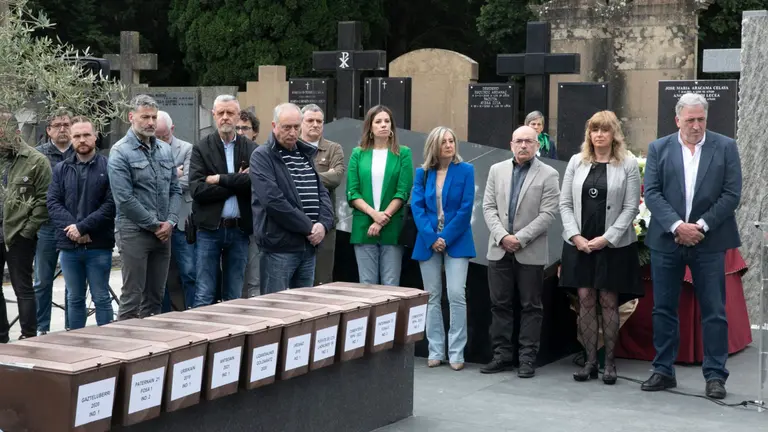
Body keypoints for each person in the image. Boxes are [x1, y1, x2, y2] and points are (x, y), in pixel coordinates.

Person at [641, 93, 742, 399]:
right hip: (667, 240)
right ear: (677, 120)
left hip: (709, 241)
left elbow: (731, 193)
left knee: (714, 311)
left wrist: (700, 226)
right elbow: (652, 192)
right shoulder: (659, 148)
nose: (696, 125)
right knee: (663, 309)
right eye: (690, 120)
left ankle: (715, 375)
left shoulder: (725, 147)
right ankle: (663, 370)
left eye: (701, 119)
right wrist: (677, 226)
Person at [558, 111, 642, 384]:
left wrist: (607, 238)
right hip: (580, 245)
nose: (599, 135)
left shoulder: (627, 164)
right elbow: (564, 204)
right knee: (585, 299)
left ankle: (610, 363)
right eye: (594, 130)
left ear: (614, 134)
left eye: (604, 130)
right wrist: (575, 236)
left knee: (608, 300)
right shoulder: (576, 161)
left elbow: (631, 207)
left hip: (613, 246)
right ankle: (590, 362)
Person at [481, 125, 560, 377]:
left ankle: (527, 358)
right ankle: (502, 356)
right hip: (499, 248)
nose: (523, 145)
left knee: (531, 307)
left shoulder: (549, 174)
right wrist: (503, 236)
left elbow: (548, 213)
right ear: (511, 144)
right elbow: (488, 207)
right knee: (499, 305)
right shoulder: (496, 170)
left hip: (530, 250)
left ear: (537, 145)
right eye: (519, 141)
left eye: (528, 141)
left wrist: (520, 238)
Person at [108, 94, 181, 319]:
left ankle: (151, 341)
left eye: (154, 117)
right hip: (134, 233)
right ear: (131, 117)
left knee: (155, 297)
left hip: (163, 233)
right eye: (145, 117)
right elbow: (124, 199)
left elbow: (175, 190)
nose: (150, 122)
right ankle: (125, 340)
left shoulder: (164, 150)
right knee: (132, 296)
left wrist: (170, 222)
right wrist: (155, 225)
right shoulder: (120, 152)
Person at [250, 103, 334, 293]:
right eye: (287, 127)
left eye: (296, 127)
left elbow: (321, 193)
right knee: (275, 305)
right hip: (280, 248)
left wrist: (323, 225)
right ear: (274, 126)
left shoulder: (305, 154)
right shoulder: (262, 156)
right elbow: (273, 201)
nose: (293, 132)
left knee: (305, 306)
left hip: (308, 247)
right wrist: (309, 227)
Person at [411, 126, 475, 371]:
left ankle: (456, 352)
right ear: (434, 146)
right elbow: (417, 207)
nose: (449, 145)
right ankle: (436, 350)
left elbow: (466, 209)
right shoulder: (423, 173)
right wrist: (432, 237)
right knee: (432, 297)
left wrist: (445, 238)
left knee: (457, 294)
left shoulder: (466, 170)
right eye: (444, 142)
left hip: (456, 239)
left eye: (451, 141)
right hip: (427, 240)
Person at [46, 116, 115, 329]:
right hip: (70, 245)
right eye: (77, 136)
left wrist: (83, 227)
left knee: (101, 297)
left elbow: (111, 204)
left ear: (95, 136)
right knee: (74, 298)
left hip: (98, 244)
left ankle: (109, 342)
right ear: (71, 138)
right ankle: (75, 343)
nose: (82, 140)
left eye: (86, 135)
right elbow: (53, 202)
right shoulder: (61, 169)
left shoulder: (109, 166)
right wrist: (75, 229)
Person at [189, 95, 257, 307]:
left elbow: (255, 184)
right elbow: (197, 189)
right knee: (204, 293)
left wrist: (219, 179)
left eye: (230, 113)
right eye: (221, 113)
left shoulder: (251, 148)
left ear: (238, 116)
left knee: (234, 295)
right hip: (209, 229)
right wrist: (236, 182)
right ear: (214, 115)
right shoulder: (201, 148)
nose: (225, 117)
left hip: (239, 230)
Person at [346, 105, 414, 286]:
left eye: (387, 121)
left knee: (390, 284)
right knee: (367, 284)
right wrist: (374, 215)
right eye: (378, 121)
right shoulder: (358, 154)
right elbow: (352, 192)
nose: (383, 125)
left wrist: (382, 219)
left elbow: (403, 191)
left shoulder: (403, 153)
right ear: (370, 127)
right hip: (364, 226)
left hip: (392, 227)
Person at [0, 110, 52, 342]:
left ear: (17, 132)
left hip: (19, 234)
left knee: (22, 287)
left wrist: (27, 231)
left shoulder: (36, 161)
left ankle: (29, 336)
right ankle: (2, 336)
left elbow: (43, 200)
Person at [33, 108, 75, 335]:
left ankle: (72, 326)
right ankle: (42, 328)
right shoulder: (38, 156)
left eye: (66, 124)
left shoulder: (81, 151)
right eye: (57, 125)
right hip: (47, 225)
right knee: (42, 280)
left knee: (73, 281)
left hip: (75, 226)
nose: (62, 129)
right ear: (48, 130)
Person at [300, 104, 345, 285]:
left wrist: (300, 177)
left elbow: (336, 178)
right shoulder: (291, 147)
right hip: (296, 222)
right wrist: (324, 176)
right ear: (301, 122)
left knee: (322, 280)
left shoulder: (334, 148)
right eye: (310, 120)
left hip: (325, 223)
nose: (315, 124)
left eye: (319, 121)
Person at [155, 111, 195, 310]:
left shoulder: (187, 149)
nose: (160, 141)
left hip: (181, 221)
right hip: (157, 222)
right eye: (157, 137)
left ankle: (193, 311)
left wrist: (162, 179)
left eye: (164, 136)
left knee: (189, 271)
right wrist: (174, 173)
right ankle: (163, 315)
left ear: (172, 129)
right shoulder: (147, 149)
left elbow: (189, 181)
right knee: (160, 276)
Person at [236, 109, 261, 297]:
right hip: (231, 225)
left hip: (254, 225)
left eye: (245, 128)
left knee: (254, 279)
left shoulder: (262, 155)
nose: (240, 132)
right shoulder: (225, 154)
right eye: (237, 128)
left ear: (255, 132)